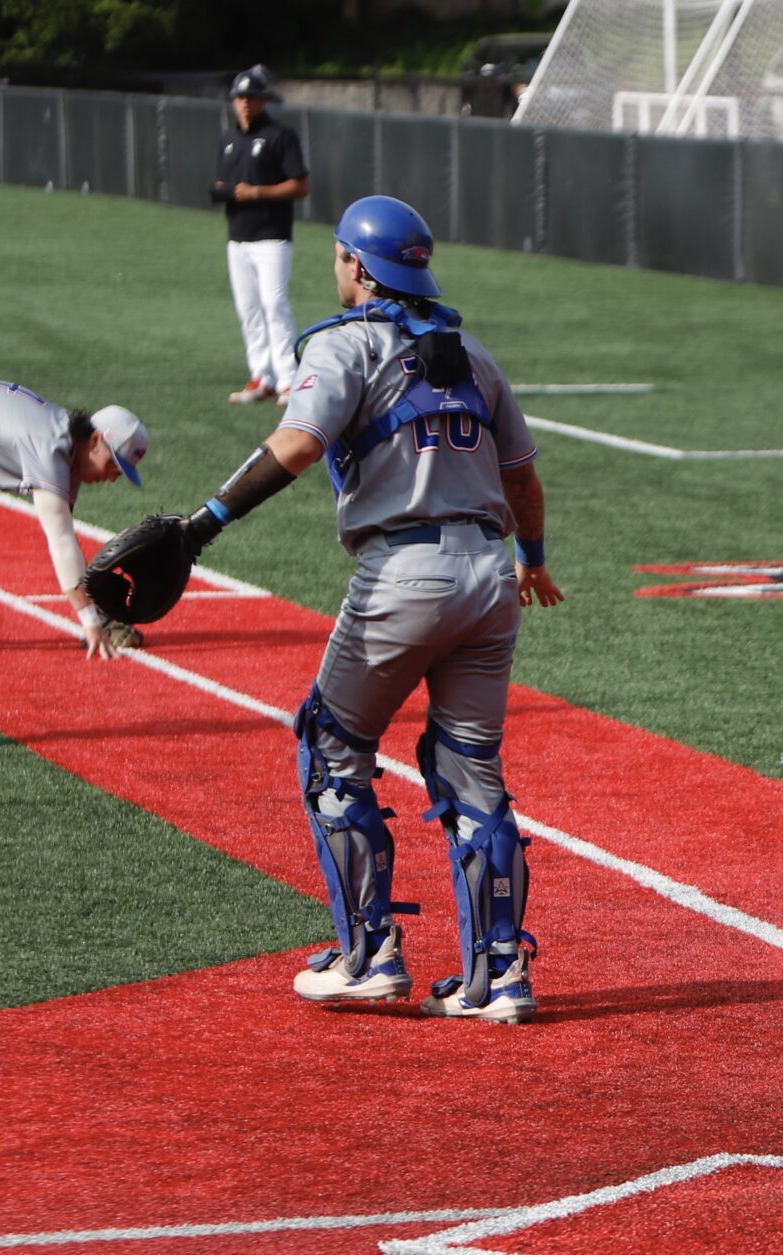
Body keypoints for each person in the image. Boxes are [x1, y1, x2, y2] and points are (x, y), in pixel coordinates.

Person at [152, 196, 561, 1020]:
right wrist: (535, 561)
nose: (335, 268)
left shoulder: (346, 345)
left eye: (340, 256)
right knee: (468, 765)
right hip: (490, 578)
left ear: (361, 268)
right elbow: (520, 479)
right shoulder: (474, 355)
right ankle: (500, 975)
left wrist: (205, 523)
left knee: (333, 744)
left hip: (405, 577)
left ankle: (368, 954)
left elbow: (298, 444)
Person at [0, 383, 149, 660]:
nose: (113, 476)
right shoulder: (50, 447)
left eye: (121, 472)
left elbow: (68, 546)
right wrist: (90, 621)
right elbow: (60, 541)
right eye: (114, 464)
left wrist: (95, 612)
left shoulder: (68, 451)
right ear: (95, 441)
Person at [211, 66, 310, 407]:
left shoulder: (280, 136)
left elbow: (300, 184)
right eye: (239, 98)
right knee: (249, 309)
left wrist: (258, 193)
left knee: (274, 304)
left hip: (272, 237)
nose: (244, 104)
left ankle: (288, 379)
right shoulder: (228, 139)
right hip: (237, 237)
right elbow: (223, 185)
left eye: (251, 97)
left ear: (264, 100)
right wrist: (224, 193)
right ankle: (261, 377)